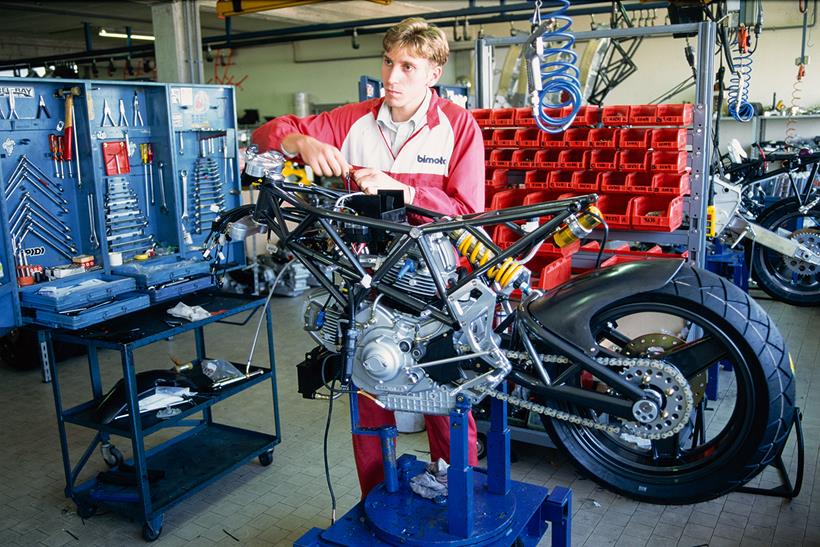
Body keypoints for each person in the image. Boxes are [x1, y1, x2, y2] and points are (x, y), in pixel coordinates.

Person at [252, 17, 483, 498]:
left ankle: (459, 491)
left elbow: (466, 212)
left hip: (433, 289)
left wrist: (403, 188)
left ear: (433, 74)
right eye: (388, 62)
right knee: (370, 391)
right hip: (366, 282)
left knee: (444, 396)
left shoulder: (458, 128)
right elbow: (267, 134)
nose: (392, 77)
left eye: (407, 67)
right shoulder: (351, 119)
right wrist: (302, 141)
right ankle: (377, 501)